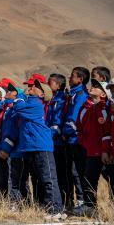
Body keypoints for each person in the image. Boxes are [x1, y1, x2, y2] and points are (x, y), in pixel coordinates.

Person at [9, 74, 64, 215]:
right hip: (32, 145)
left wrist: (20, 95)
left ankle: (56, 208)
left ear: (42, 94)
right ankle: (47, 206)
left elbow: (18, 107)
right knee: (41, 178)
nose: (32, 87)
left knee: (48, 178)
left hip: (41, 145)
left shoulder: (35, 104)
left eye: (37, 86)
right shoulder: (31, 102)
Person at [75, 80, 111, 215]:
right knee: (89, 178)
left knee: (111, 178)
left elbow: (106, 131)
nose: (92, 87)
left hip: (102, 151)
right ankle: (90, 206)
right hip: (90, 150)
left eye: (97, 87)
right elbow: (81, 127)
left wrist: (105, 150)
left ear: (103, 94)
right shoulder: (89, 108)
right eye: (93, 85)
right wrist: (83, 142)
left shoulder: (103, 109)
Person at [0, 79, 30, 205]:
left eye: (9, 91)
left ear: (15, 94)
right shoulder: (9, 109)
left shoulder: (16, 109)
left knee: (17, 179)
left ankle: (20, 203)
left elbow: (13, 131)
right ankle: (21, 203)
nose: (6, 93)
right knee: (14, 178)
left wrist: (6, 148)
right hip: (12, 149)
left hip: (17, 149)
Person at [62, 67, 90, 211]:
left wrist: (65, 131)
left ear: (80, 79)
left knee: (78, 171)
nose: (69, 78)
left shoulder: (81, 95)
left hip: (76, 139)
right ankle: (71, 201)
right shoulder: (72, 94)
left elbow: (74, 118)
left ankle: (81, 200)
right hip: (69, 139)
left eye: (72, 76)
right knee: (71, 171)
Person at [46, 73, 73, 209]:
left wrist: (48, 136)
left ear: (59, 85)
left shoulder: (62, 99)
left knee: (64, 173)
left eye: (50, 82)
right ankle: (59, 201)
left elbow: (58, 121)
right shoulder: (53, 99)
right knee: (56, 172)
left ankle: (67, 201)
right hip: (53, 141)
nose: (48, 84)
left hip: (60, 142)